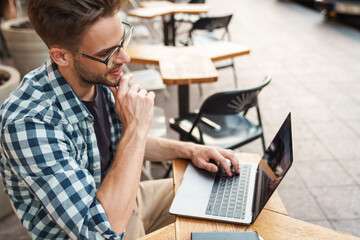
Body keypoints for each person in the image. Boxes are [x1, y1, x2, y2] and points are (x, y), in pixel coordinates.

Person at [0, 0, 239, 239]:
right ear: (61, 56)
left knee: (220, 193)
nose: (124, 57)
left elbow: (124, 144)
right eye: (107, 53)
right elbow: (102, 229)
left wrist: (191, 150)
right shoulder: (28, 123)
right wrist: (136, 126)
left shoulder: (98, 78)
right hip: (100, 223)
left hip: (127, 197)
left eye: (122, 41)